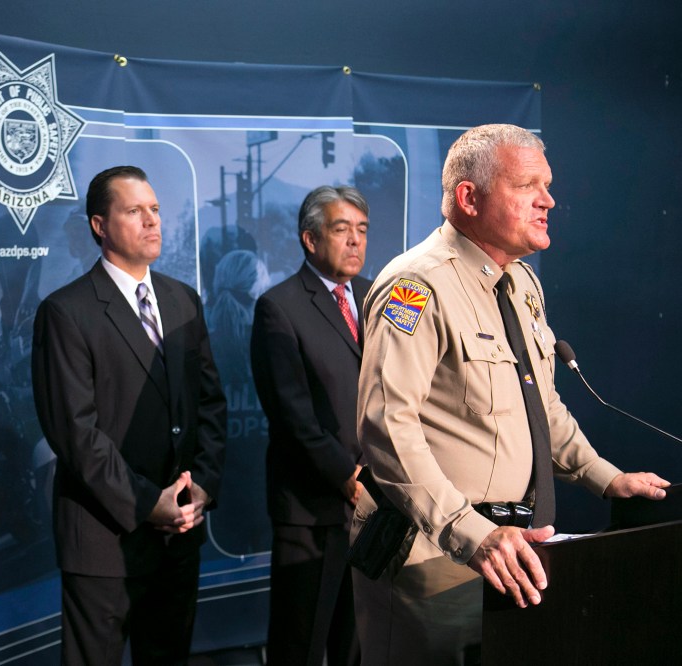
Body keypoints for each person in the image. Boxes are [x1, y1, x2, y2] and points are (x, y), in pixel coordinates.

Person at [352, 124, 669, 665]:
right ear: (468, 197)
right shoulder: (415, 285)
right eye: (527, 186)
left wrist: (605, 477)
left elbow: (539, 406)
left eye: (546, 185)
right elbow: (387, 428)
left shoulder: (521, 283)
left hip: (513, 547)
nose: (548, 200)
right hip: (432, 555)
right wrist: (470, 533)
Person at [31, 165, 227, 665]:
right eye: (135, 211)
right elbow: (75, 433)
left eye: (156, 210)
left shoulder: (184, 300)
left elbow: (210, 403)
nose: (152, 221)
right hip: (104, 544)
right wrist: (146, 502)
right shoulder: (65, 312)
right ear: (99, 225)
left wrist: (200, 484)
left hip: (180, 534)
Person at [250, 185, 372, 666]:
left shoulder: (377, 295)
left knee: (358, 645)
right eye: (342, 230)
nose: (355, 242)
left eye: (362, 230)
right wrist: (349, 476)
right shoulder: (279, 306)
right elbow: (291, 414)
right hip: (313, 509)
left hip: (378, 508)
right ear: (309, 239)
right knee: (299, 647)